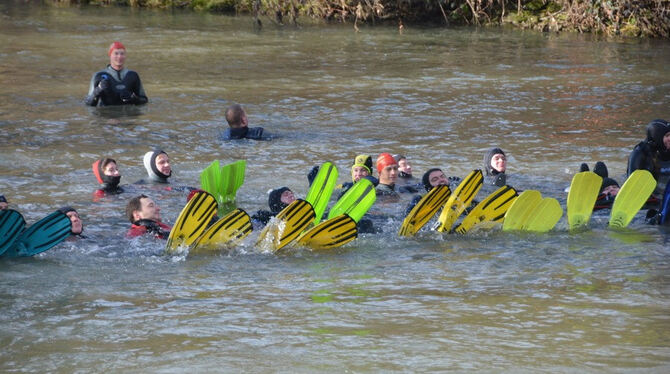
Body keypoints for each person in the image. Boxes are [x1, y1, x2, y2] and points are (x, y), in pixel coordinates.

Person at [85, 41, 148, 107]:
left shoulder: (133, 76)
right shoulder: (98, 76)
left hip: (127, 115)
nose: (119, 57)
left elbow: (144, 100)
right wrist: (98, 90)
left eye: (122, 54)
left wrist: (134, 99)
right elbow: (88, 103)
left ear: (125, 56)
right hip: (106, 114)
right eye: (116, 53)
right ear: (110, 55)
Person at [627, 119, 670, 202]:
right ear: (657, 137)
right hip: (651, 199)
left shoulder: (666, 150)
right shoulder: (640, 154)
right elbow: (633, 185)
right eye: (667, 136)